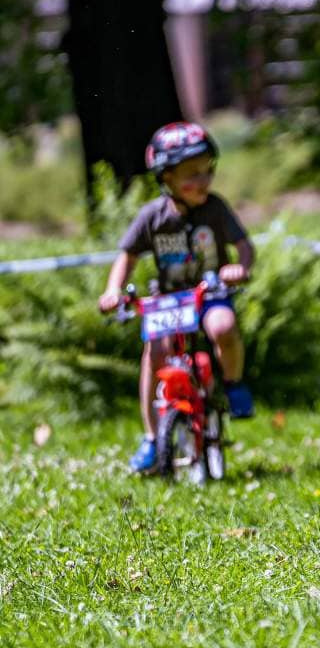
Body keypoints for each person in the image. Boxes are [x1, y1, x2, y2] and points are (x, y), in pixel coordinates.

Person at [98, 122, 255, 472]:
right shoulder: (152, 216)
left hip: (210, 292)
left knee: (223, 326)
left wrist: (240, 267)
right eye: (192, 174)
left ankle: (233, 383)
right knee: (155, 356)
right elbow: (127, 256)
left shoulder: (216, 208)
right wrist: (112, 290)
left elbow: (244, 246)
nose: (203, 180)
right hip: (169, 300)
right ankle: (152, 437)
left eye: (207, 171)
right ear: (166, 177)